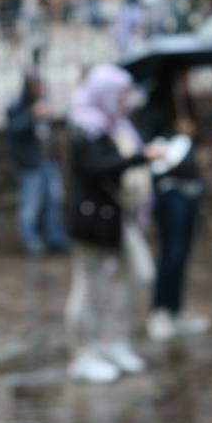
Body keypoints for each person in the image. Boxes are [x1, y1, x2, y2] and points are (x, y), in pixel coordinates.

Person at [65, 63, 164, 382]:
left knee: (138, 275)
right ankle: (83, 354)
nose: (125, 100)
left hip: (119, 216)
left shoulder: (114, 124)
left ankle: (112, 341)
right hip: (92, 219)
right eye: (119, 94)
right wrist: (141, 158)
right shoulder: (84, 126)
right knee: (90, 286)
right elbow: (97, 167)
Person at [137, 67, 209, 341]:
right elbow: (147, 147)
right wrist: (171, 134)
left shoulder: (185, 105)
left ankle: (177, 308)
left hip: (190, 188)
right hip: (170, 190)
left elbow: (196, 141)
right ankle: (160, 309)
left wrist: (191, 131)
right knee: (171, 250)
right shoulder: (154, 110)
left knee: (184, 250)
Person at [6, 71, 67, 256]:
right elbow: (15, 132)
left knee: (54, 199)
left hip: (47, 160)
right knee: (30, 204)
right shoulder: (17, 107)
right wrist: (33, 115)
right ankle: (31, 240)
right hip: (31, 164)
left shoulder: (42, 102)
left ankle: (55, 237)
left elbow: (47, 133)